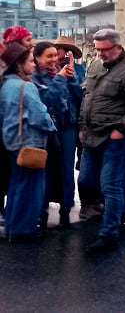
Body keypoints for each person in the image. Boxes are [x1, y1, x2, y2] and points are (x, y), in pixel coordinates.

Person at [78, 29, 125, 253]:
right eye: (97, 49)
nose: (100, 54)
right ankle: (116, 214)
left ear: (118, 47)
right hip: (91, 135)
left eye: (104, 49)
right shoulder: (95, 66)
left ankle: (109, 233)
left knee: (111, 184)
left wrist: (122, 128)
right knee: (87, 180)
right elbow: (86, 97)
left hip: (115, 137)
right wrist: (82, 126)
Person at [0, 43, 55, 242]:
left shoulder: (5, 85)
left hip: (11, 142)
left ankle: (13, 228)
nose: (33, 66)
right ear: (19, 64)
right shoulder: (26, 86)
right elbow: (40, 116)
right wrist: (52, 124)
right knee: (31, 188)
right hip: (30, 142)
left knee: (16, 185)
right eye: (30, 61)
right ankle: (24, 230)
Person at [31, 41, 82, 229]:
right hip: (47, 129)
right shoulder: (33, 77)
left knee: (67, 170)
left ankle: (66, 209)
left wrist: (73, 78)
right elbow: (44, 100)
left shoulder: (63, 72)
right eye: (49, 56)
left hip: (68, 126)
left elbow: (78, 98)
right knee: (46, 169)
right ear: (37, 58)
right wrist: (61, 79)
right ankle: (42, 211)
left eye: (55, 55)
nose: (54, 59)